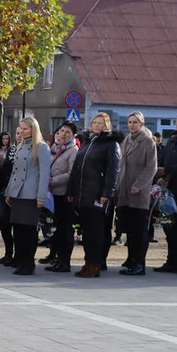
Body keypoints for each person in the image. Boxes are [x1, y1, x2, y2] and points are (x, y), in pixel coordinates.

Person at [68, 112, 123, 278]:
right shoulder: (86, 141)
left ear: (107, 126)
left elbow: (113, 171)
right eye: (95, 122)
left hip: (97, 195)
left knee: (96, 231)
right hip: (82, 194)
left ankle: (95, 264)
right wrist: (71, 190)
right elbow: (77, 168)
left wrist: (107, 193)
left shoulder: (110, 144)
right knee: (86, 231)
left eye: (101, 123)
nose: (97, 125)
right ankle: (87, 262)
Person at [3, 117, 51, 275]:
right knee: (18, 230)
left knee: (29, 231)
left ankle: (29, 263)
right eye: (20, 128)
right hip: (17, 194)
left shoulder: (41, 147)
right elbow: (14, 172)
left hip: (31, 194)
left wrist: (41, 197)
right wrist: (9, 192)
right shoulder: (20, 145)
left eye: (25, 129)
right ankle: (21, 261)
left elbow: (44, 174)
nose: (22, 131)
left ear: (33, 129)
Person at [115, 111, 158, 276]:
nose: (132, 125)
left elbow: (151, 167)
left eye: (135, 122)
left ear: (142, 123)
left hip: (139, 192)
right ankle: (131, 260)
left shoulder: (147, 141)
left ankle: (140, 264)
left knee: (139, 230)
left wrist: (139, 184)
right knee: (130, 229)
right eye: (130, 122)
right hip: (125, 191)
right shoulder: (127, 140)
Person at [40, 122, 79, 273]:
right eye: (62, 131)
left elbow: (71, 174)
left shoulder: (73, 150)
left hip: (64, 194)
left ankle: (65, 262)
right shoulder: (54, 148)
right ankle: (57, 259)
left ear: (73, 135)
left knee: (65, 229)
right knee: (56, 228)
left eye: (67, 132)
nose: (63, 134)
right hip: (52, 195)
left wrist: (53, 180)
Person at [155, 113, 177, 274]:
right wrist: (161, 176)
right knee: (170, 226)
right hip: (169, 191)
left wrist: (167, 170)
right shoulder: (173, 140)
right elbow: (162, 160)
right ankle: (172, 261)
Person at [0, 131, 19, 266]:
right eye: (18, 133)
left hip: (19, 194)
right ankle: (8, 254)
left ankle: (18, 256)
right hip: (5, 192)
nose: (19, 135)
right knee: (5, 225)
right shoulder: (12, 150)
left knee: (18, 228)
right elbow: (4, 171)